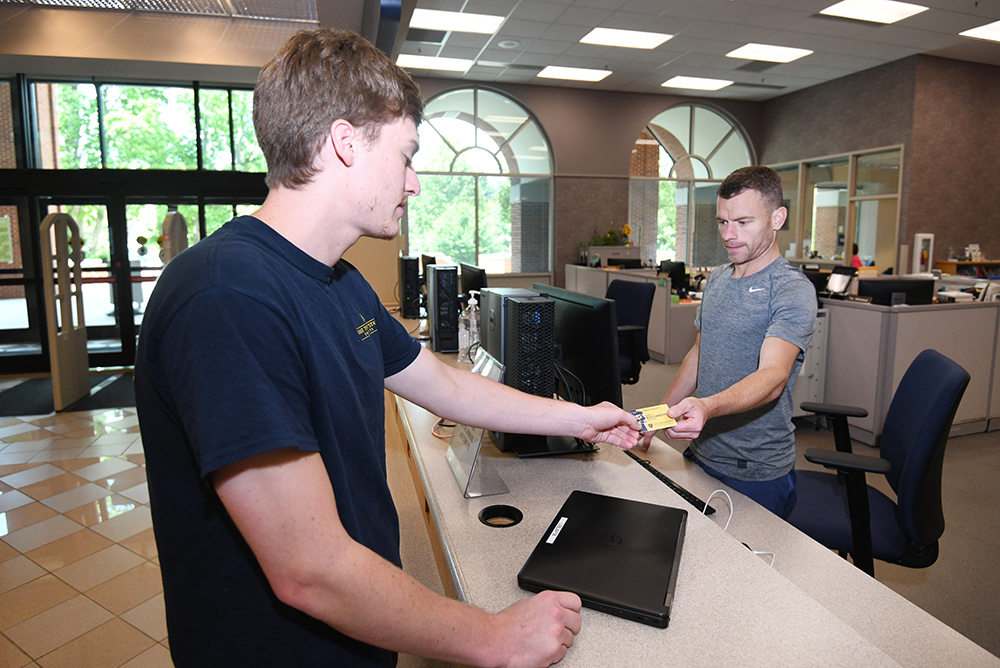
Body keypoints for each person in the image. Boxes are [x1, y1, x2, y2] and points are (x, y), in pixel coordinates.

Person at [133, 29, 640, 668]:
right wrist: (493, 637)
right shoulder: (225, 297)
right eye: (405, 156)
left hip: (359, 637)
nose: (416, 182)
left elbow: (444, 384)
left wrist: (580, 418)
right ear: (346, 144)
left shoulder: (342, 283)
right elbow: (310, 569)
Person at [640, 166, 815, 518]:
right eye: (723, 222)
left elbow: (773, 378)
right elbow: (698, 355)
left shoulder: (791, 290)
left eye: (744, 222)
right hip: (700, 452)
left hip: (754, 470)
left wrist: (706, 407)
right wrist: (656, 416)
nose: (729, 235)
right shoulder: (718, 279)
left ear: (777, 218)